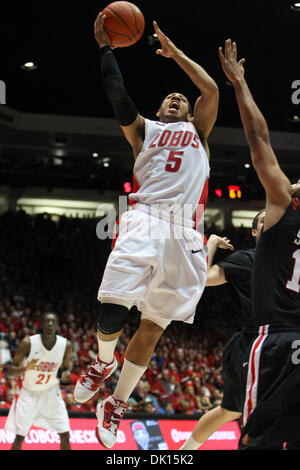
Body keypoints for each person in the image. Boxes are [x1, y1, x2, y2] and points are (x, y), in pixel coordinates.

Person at [74, 12, 219, 449]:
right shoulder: (144, 130)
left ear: (190, 112)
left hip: (187, 234)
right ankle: (101, 364)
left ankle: (115, 403)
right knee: (114, 306)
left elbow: (211, 89)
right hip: (145, 218)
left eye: (181, 97)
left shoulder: (200, 133)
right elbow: (116, 92)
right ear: (158, 110)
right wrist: (105, 49)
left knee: (154, 327)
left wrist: (175, 56)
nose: (176, 98)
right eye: (169, 98)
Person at [217, 39, 300, 450]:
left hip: (275, 341)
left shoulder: (283, 202)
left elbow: (258, 137)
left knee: (255, 441)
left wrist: (239, 84)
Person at [180, 209, 266, 450]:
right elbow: (202, 278)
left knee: (233, 410)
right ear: (253, 231)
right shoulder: (245, 260)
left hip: (284, 342)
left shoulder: (291, 258)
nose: (270, 221)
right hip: (252, 345)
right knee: (240, 411)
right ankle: (184, 453)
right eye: (263, 220)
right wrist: (212, 244)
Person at [5, 312, 72, 451]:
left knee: (65, 434)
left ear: (58, 325)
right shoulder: (28, 343)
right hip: (29, 393)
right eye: (47, 321)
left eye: (53, 322)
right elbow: (9, 372)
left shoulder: (65, 345)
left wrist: (66, 375)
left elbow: (65, 369)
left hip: (51, 392)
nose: (50, 324)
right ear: (41, 324)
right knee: (19, 437)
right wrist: (25, 368)